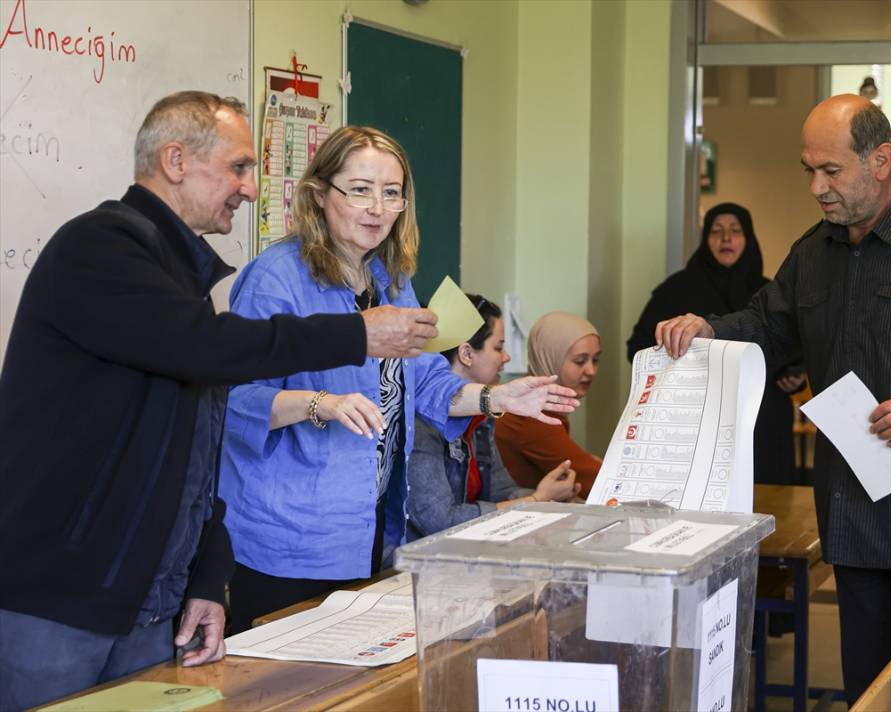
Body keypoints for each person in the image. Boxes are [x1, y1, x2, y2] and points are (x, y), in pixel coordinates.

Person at [0, 91, 443, 710]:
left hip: (153, 597)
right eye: (238, 167)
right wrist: (358, 335)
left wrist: (206, 576)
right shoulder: (98, 246)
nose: (250, 188)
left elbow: (194, 446)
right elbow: (207, 351)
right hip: (65, 594)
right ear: (176, 160)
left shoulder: (178, 275)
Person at [656, 95, 891, 710]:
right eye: (808, 169)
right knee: (866, 691)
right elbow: (768, 325)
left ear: (880, 161)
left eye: (831, 171)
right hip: (856, 512)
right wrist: (708, 329)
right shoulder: (814, 253)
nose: (816, 186)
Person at [219, 126, 578, 633]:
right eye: (360, 189)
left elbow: (428, 381)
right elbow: (236, 399)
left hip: (372, 529)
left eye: (391, 194)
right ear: (320, 194)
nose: (377, 209)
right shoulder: (276, 278)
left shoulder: (391, 279)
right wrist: (319, 403)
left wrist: (498, 398)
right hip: (290, 540)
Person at [627, 202, 806, 484]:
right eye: (716, 231)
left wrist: (795, 377)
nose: (726, 239)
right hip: (696, 417)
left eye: (735, 231)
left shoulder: (768, 292)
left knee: (770, 502)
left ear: (748, 239)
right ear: (705, 239)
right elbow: (639, 347)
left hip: (762, 417)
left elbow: (793, 344)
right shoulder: (677, 289)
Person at [407, 295, 581, 538]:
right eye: (499, 347)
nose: (507, 357)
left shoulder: (482, 417)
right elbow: (440, 521)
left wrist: (549, 498)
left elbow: (501, 493)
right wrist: (533, 501)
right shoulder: (420, 425)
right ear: (467, 354)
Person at [496, 312, 603, 496]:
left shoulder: (535, 400)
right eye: (580, 361)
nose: (591, 370)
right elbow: (595, 482)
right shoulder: (532, 414)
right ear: (549, 358)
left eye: (595, 360)